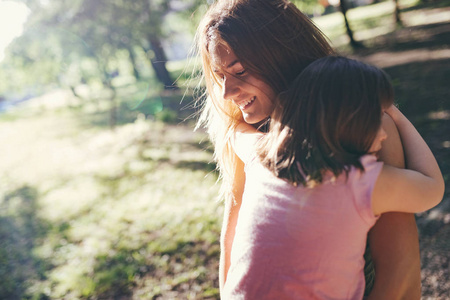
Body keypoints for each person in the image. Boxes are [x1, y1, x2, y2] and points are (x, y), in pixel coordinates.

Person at [195, 0, 425, 298]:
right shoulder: (253, 137)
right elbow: (234, 233)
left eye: (238, 71)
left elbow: (399, 266)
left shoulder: (368, 129)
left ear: (281, 55)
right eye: (220, 76)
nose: (227, 92)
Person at [225, 55, 444, 299]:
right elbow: (432, 186)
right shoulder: (357, 181)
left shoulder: (261, 157)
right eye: (377, 117)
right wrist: (398, 116)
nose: (384, 134)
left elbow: (235, 132)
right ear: (350, 119)